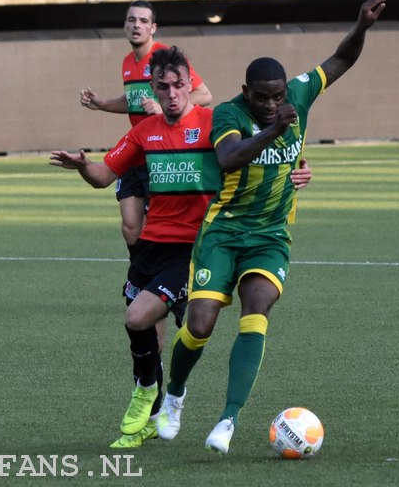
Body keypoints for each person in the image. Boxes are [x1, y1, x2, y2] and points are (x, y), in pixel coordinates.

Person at [155, 0, 387, 455]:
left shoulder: (298, 95)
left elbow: (341, 60)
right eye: (262, 97)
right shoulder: (229, 113)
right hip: (223, 231)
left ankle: (227, 420)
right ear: (247, 93)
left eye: (277, 97)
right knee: (199, 324)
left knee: (257, 308)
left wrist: (361, 25)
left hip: (270, 235)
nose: (271, 103)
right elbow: (229, 158)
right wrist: (274, 129)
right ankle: (175, 395)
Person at [52, 47, 312, 449]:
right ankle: (150, 417)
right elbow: (103, 176)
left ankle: (156, 400)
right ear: (152, 88)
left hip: (196, 246)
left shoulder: (217, 122)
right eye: (163, 86)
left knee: (146, 319)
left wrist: (298, 170)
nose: (171, 93)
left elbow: (269, 153)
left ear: (190, 85)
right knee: (146, 337)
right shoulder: (145, 131)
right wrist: (82, 165)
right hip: (150, 247)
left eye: (178, 85)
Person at [79, 0, 212, 410]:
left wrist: (293, 165)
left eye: (143, 20)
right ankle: (149, 389)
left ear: (155, 26)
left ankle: (164, 386)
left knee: (166, 312)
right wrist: (101, 110)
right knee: (131, 230)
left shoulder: (170, 65)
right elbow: (103, 172)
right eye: (130, 19)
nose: (136, 25)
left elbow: (207, 98)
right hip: (141, 151)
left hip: (171, 165)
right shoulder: (128, 66)